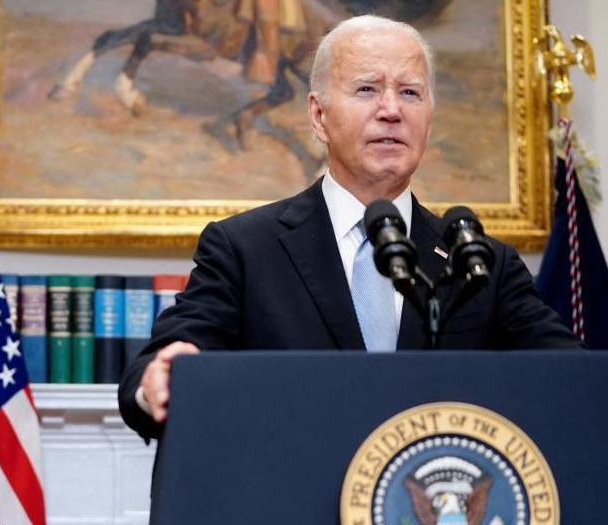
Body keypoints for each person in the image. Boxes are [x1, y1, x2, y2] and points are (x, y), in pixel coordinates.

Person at [118, 15, 583, 440]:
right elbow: (155, 369)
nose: (391, 110)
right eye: (367, 89)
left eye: (410, 92)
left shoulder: (482, 263)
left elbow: (572, 381)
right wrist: (155, 383)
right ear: (319, 116)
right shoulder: (245, 249)